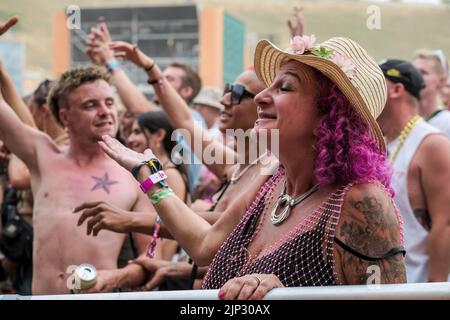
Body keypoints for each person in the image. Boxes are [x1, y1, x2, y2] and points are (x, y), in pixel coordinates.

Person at [95, 35, 407, 299]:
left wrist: (286, 296)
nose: (260, 97)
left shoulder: (360, 202)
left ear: (329, 114)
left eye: (284, 87)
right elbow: (204, 245)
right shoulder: (270, 182)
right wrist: (149, 178)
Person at [0, 20, 154, 293]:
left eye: (109, 103)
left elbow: (151, 262)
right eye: (90, 105)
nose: (105, 112)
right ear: (64, 117)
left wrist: (111, 278)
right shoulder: (42, 155)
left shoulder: (138, 171)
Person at [377, 59, 450, 282]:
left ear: (396, 90)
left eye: (376, 84)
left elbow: (445, 223)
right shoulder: (380, 142)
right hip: (386, 289)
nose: (366, 91)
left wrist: (434, 290)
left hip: (418, 287)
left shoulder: (432, 144)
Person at [413, 49, 450, 136]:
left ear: (441, 81)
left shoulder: (447, 122)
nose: (415, 76)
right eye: (413, 71)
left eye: (423, 72)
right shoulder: (402, 120)